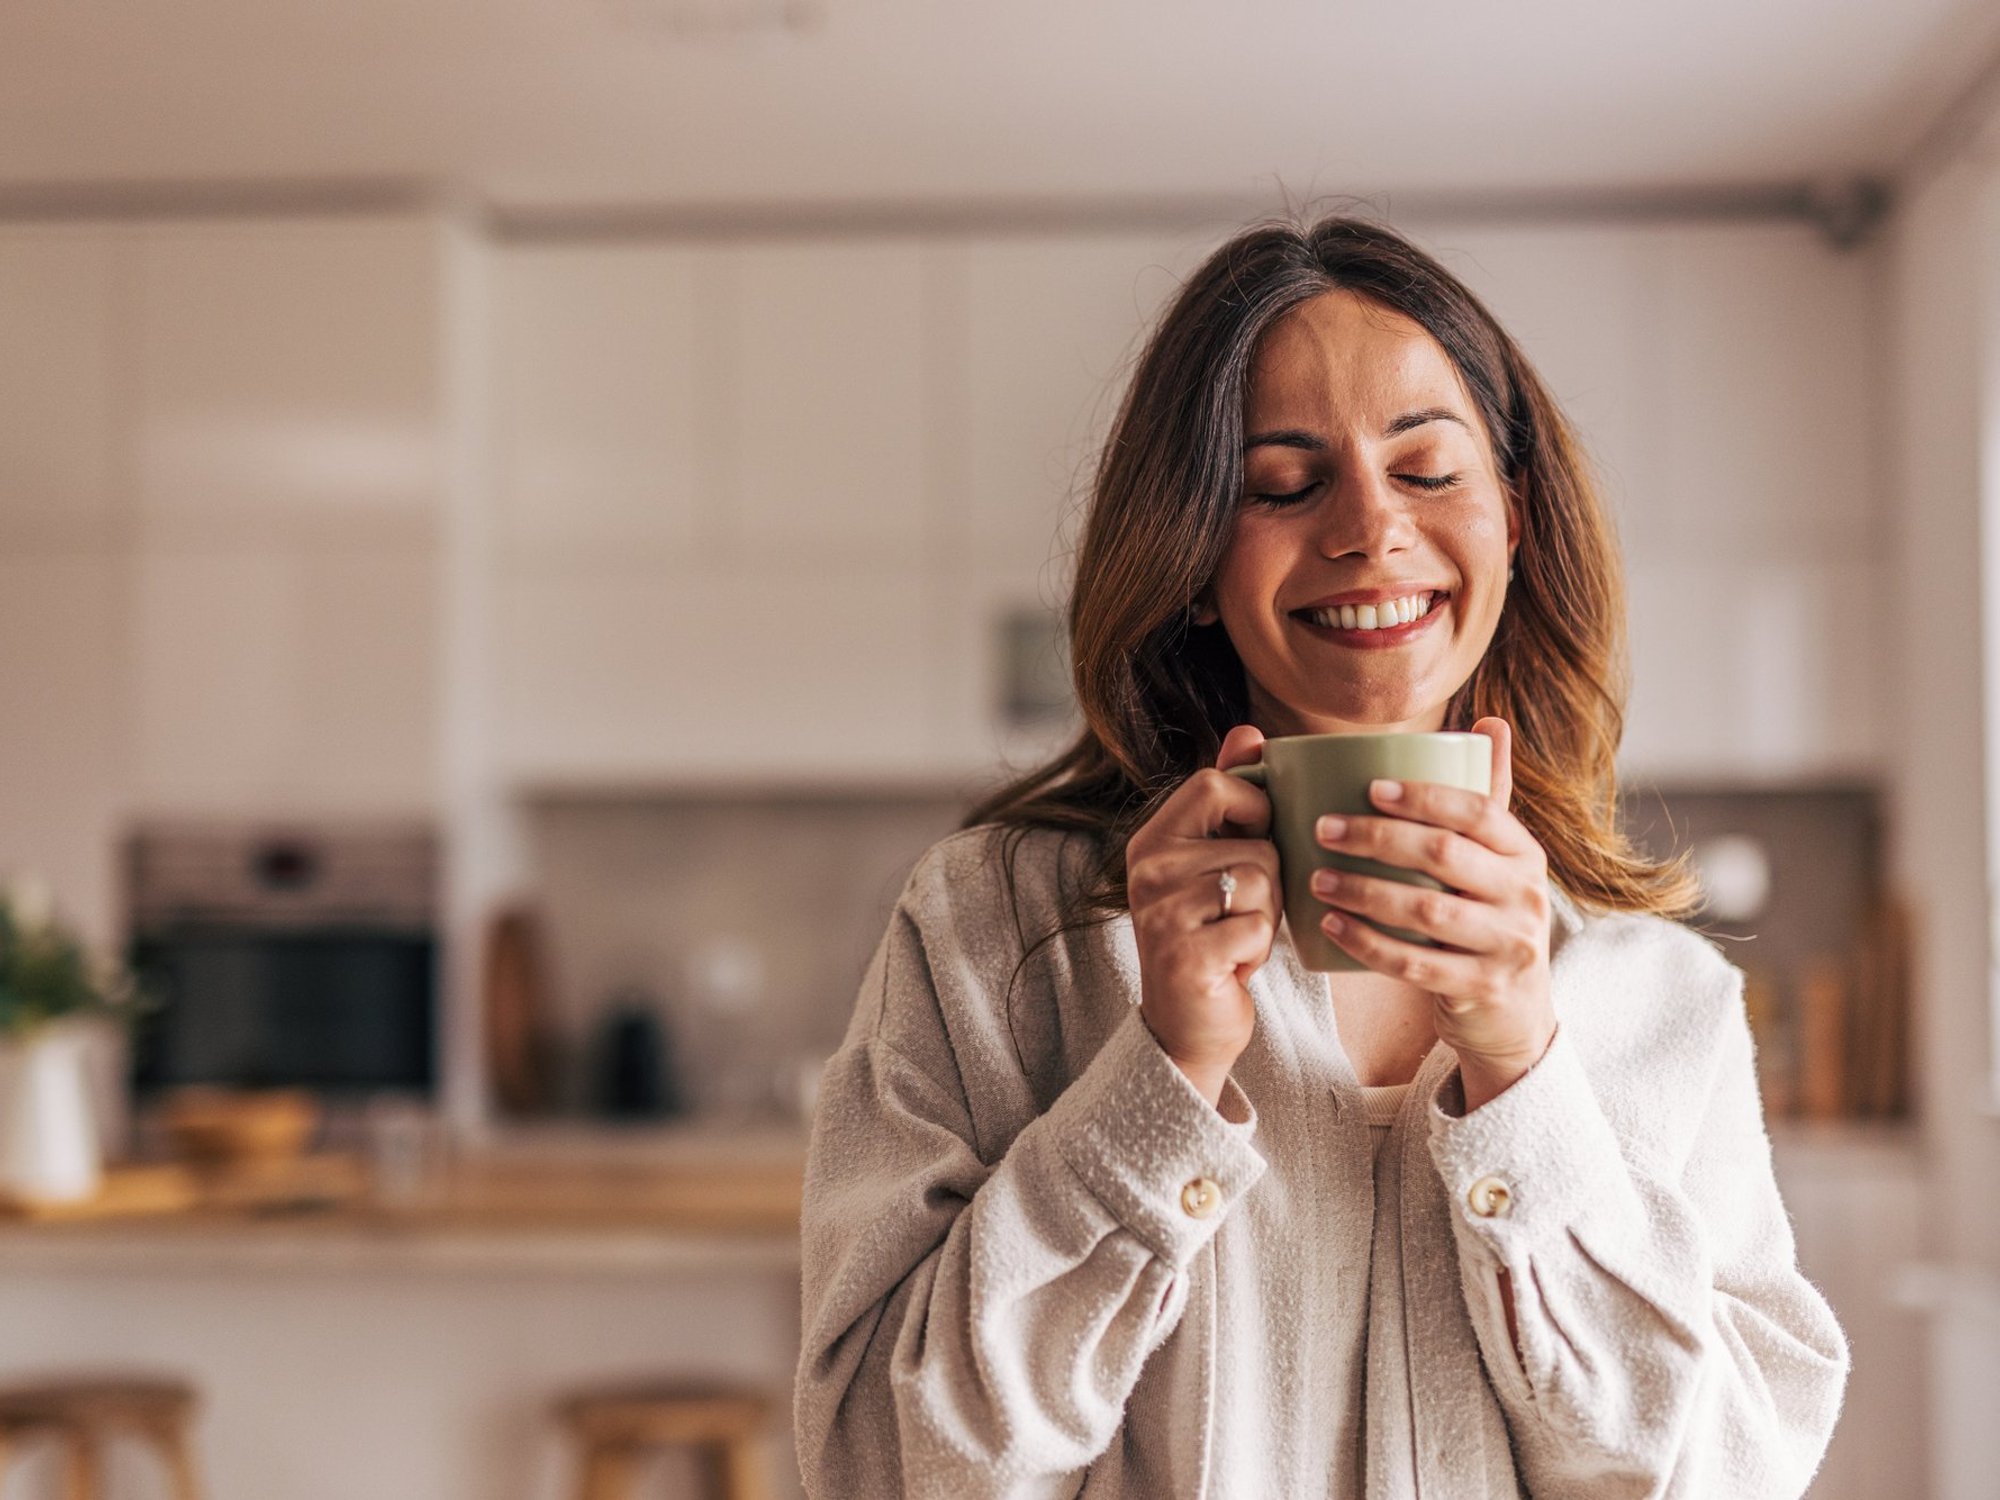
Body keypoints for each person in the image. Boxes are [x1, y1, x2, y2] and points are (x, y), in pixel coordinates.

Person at [793, 214, 1849, 1499]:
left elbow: (1728, 1475)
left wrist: (1526, 1076)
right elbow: (874, 1463)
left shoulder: (1656, 996)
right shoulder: (990, 935)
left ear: (1508, 525)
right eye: (1281, 484)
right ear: (1189, 559)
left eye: (1425, 469)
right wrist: (1160, 1076)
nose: (1368, 529)